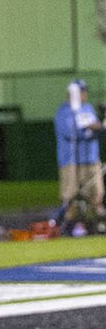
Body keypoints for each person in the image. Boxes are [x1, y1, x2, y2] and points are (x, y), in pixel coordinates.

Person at [54, 79, 105, 229]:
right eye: (81, 92)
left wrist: (97, 127)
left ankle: (98, 227)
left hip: (90, 159)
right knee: (71, 199)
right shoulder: (63, 112)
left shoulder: (88, 108)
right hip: (70, 162)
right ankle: (68, 229)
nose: (84, 95)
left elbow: (94, 129)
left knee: (96, 196)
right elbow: (72, 132)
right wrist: (93, 128)